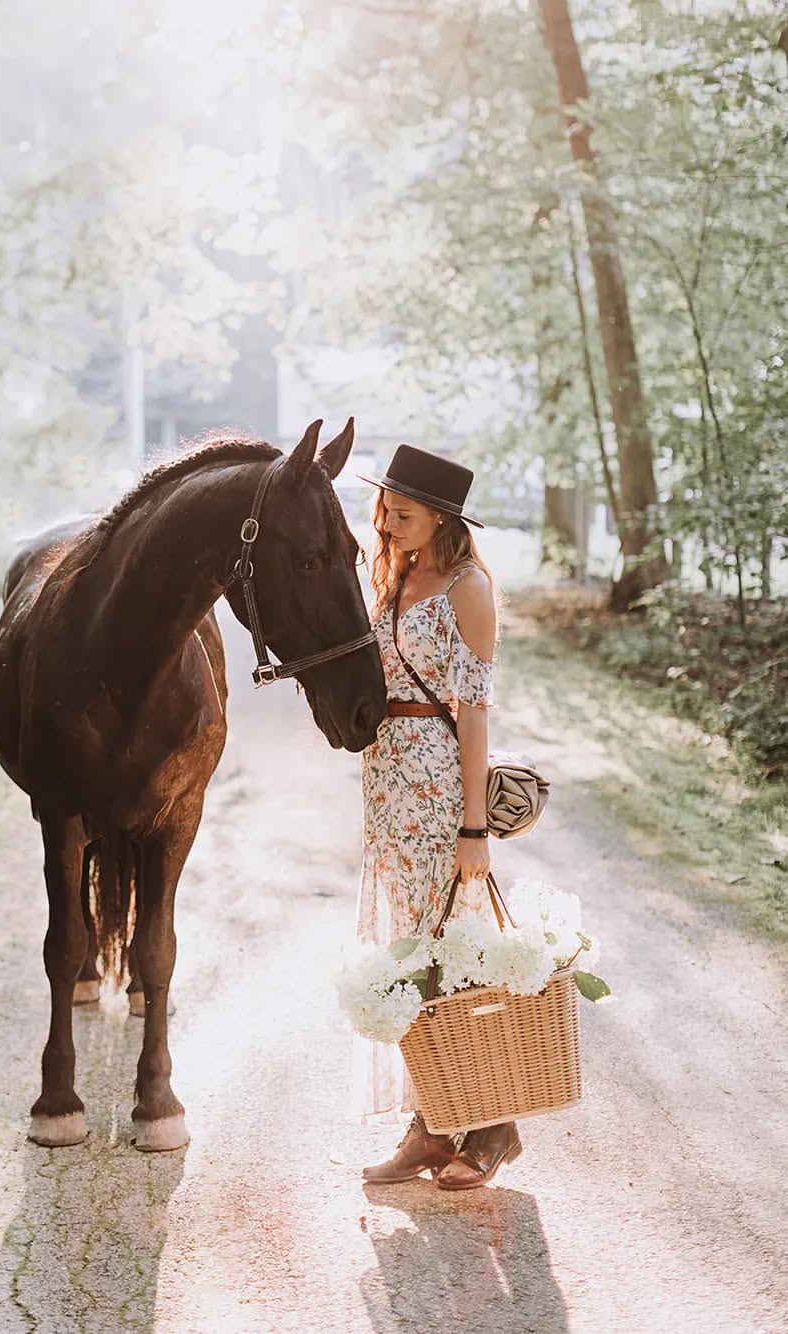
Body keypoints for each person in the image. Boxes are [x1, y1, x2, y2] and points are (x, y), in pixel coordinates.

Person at [354, 444, 521, 1190]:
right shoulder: (393, 571)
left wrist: (474, 827)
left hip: (435, 785)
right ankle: (428, 1123)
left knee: (447, 958)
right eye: (384, 510)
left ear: (443, 519)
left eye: (403, 513)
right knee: (407, 954)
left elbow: (473, 712)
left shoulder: (468, 587)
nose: (387, 524)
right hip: (385, 780)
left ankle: (490, 1124)